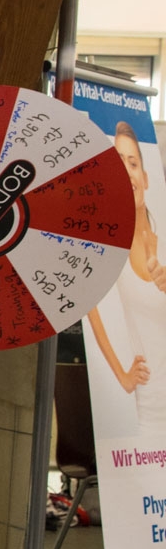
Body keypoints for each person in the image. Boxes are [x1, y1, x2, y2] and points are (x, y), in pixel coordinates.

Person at [87, 121, 166, 433]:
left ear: (145, 177)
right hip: (153, 407)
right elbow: (91, 306)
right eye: (118, 164)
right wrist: (122, 375)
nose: (127, 173)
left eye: (132, 163)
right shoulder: (111, 248)